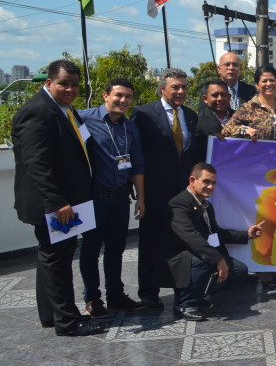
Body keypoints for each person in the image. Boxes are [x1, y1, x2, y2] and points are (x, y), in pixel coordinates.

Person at [12, 60, 104, 336]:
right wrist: (57, 203)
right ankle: (67, 322)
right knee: (57, 261)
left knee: (53, 259)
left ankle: (53, 314)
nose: (70, 89)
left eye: (75, 84)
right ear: (49, 82)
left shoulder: (64, 109)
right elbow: (36, 164)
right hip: (55, 205)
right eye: (64, 83)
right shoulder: (37, 112)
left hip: (71, 201)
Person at [223, 65, 276, 289]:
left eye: (272, 80)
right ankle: (263, 270)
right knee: (262, 222)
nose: (269, 84)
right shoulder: (247, 108)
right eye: (264, 81)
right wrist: (244, 131)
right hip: (254, 177)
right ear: (257, 84)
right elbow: (226, 130)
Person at [77, 79, 146, 317]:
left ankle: (115, 295)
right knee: (91, 249)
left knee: (116, 249)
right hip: (94, 198)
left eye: (128, 97)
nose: (123, 101)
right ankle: (92, 299)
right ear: (106, 95)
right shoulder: (83, 118)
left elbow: (137, 164)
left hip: (119, 197)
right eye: (118, 95)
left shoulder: (131, 127)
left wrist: (141, 198)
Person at [134, 68, 199, 310]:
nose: (181, 91)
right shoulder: (143, 114)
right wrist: (139, 192)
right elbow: (136, 152)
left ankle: (181, 291)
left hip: (183, 192)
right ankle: (148, 291)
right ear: (163, 89)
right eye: (175, 87)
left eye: (183, 86)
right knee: (150, 242)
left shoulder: (191, 116)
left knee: (181, 242)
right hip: (154, 190)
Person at [168, 163, 264, 321]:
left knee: (240, 270)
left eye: (213, 183)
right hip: (181, 257)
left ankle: (199, 295)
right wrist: (218, 259)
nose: (210, 186)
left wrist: (246, 234)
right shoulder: (179, 203)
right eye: (206, 181)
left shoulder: (206, 205)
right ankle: (185, 304)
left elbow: (216, 232)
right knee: (202, 261)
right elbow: (191, 237)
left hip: (203, 252)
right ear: (192, 180)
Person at [194, 79, 231, 163]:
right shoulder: (198, 121)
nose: (220, 98)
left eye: (223, 95)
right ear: (205, 99)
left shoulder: (239, 116)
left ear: (229, 97)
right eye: (215, 95)